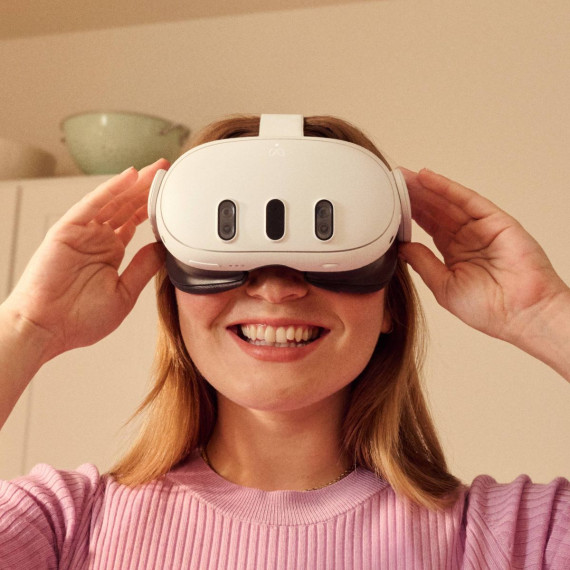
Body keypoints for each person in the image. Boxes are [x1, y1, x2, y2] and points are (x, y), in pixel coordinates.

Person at [0, 115, 568, 569]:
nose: (275, 288)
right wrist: (27, 327)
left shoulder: (513, 538)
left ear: (390, 305)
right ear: (175, 299)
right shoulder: (62, 526)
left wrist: (543, 314)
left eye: (326, 255)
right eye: (232, 257)